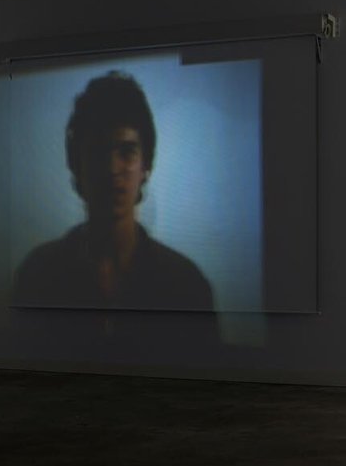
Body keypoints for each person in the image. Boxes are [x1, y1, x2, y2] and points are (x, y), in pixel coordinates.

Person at [13, 71, 218, 325]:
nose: (112, 169)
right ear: (77, 165)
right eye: (97, 152)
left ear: (146, 166)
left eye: (127, 152)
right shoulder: (38, 275)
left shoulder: (187, 286)